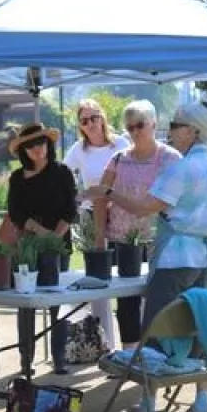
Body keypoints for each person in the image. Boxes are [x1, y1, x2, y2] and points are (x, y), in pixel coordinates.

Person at [85, 102, 207, 412]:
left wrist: (107, 192)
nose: (171, 130)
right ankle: (202, 404)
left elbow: (143, 208)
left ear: (192, 130)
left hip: (176, 258)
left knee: (154, 332)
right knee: (194, 326)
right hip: (203, 258)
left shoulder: (183, 168)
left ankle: (148, 409)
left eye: (176, 124)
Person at [94, 100, 181, 350]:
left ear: (154, 124)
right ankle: (129, 354)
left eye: (140, 125)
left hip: (159, 241)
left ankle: (159, 352)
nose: (135, 132)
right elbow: (100, 195)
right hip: (122, 240)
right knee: (127, 301)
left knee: (159, 298)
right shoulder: (119, 158)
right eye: (130, 127)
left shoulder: (170, 158)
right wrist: (99, 235)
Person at [8, 122, 77, 375]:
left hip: (58, 245)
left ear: (49, 144)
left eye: (41, 143)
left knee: (57, 302)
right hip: (27, 248)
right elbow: (15, 212)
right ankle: (26, 358)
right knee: (26, 304)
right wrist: (39, 231)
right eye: (31, 146)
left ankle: (59, 356)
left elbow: (71, 210)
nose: (37, 149)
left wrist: (54, 238)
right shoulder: (17, 178)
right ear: (23, 151)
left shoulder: (62, 172)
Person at [64, 98, 130, 350]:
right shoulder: (78, 151)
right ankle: (105, 345)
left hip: (124, 215)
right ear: (80, 126)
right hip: (93, 218)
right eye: (84, 120)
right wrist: (81, 198)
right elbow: (63, 176)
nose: (90, 124)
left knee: (127, 276)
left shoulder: (122, 144)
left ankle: (132, 344)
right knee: (98, 278)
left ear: (102, 118)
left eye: (94, 118)